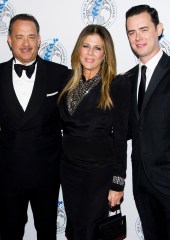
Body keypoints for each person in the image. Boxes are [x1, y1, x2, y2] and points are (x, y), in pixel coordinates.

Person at [0, 14, 70, 240]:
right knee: (9, 232)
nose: (26, 43)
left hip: (46, 176)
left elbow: (75, 119)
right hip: (7, 176)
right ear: (9, 40)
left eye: (31, 36)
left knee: (47, 233)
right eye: (19, 37)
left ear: (39, 40)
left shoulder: (60, 75)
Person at [58, 24, 130, 240]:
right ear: (78, 48)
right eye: (86, 45)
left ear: (105, 53)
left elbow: (120, 136)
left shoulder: (117, 85)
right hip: (69, 170)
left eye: (97, 48)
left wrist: (118, 182)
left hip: (98, 173)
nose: (90, 52)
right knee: (74, 229)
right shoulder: (67, 81)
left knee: (91, 231)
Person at [126, 4, 170, 240]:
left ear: (159, 29)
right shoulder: (128, 79)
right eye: (131, 32)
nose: (138, 37)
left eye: (143, 29)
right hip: (141, 186)